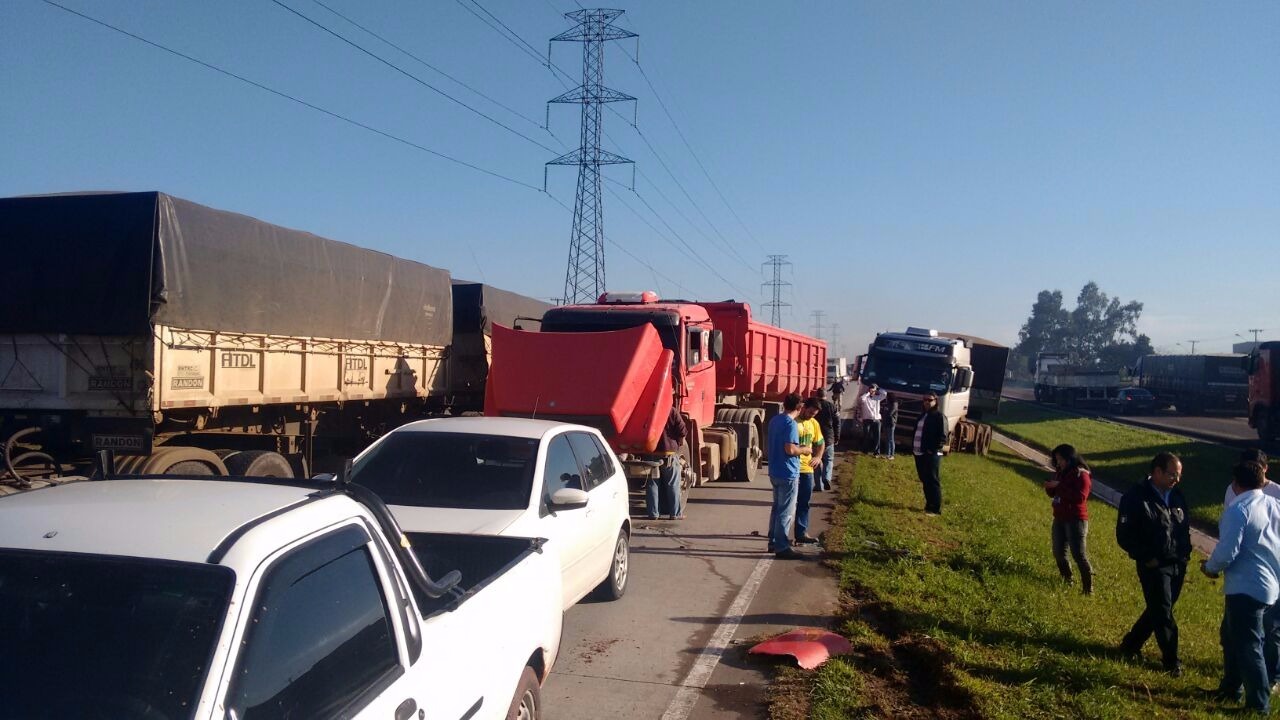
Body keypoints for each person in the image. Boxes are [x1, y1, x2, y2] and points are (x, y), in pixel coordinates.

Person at [1201, 461, 1280, 714]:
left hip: (1246, 587)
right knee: (1232, 637)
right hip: (1269, 584)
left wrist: (1210, 568)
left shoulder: (1238, 510)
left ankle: (1258, 704)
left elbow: (1226, 552)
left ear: (1235, 483)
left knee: (1248, 645)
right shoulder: (1274, 505)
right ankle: (1230, 687)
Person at [1116, 452, 1192, 676]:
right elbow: (1124, 535)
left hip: (1177, 563)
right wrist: (1147, 557)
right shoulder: (1136, 496)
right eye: (1172, 475)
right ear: (1157, 472)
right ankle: (1171, 661)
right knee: (1163, 611)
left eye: (1179, 475)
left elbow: (1183, 528)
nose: (1176, 480)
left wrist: (1185, 554)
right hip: (1153, 565)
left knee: (1159, 609)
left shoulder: (1177, 496)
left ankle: (1131, 644)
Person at [1044, 444, 1094, 594]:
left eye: (1061, 459)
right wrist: (1050, 487)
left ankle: (1088, 588)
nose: (1059, 463)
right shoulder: (1061, 472)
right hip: (1059, 517)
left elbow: (1080, 497)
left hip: (1076, 519)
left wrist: (1059, 485)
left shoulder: (1081, 474)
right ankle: (1067, 579)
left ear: (1069, 458)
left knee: (1078, 554)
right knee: (1058, 552)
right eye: (1057, 459)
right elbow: (1055, 494)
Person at [767, 394, 810, 559]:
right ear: (799, 408)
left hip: (775, 470)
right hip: (788, 472)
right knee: (786, 511)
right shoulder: (790, 424)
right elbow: (790, 449)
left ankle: (772, 541)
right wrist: (805, 450)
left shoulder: (775, 420)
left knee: (776, 508)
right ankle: (782, 546)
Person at [646, 405, 688, 520]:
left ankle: (653, 513)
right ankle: (675, 514)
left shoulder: (648, 409)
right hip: (669, 453)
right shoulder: (671, 410)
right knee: (673, 484)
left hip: (652, 452)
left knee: (652, 483)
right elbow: (682, 430)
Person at [794, 398, 826, 544]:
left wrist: (818, 457)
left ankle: (801, 533)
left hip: (807, 469)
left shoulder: (814, 424)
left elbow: (820, 443)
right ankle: (777, 534)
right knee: (786, 505)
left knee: (804, 502)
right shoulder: (793, 422)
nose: (811, 415)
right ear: (804, 407)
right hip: (792, 469)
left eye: (814, 414)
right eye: (810, 412)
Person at [912, 393, 948, 515]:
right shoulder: (923, 415)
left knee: (932, 480)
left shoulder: (939, 416)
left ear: (936, 401)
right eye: (924, 399)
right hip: (918, 452)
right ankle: (929, 504)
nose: (926, 402)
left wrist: (931, 450)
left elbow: (943, 437)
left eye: (929, 400)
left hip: (931, 454)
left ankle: (936, 508)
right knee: (924, 479)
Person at [811, 388, 841, 491]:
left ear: (816, 395)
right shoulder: (832, 406)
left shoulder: (813, 406)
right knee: (829, 460)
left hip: (815, 438)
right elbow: (837, 422)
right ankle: (827, 478)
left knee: (816, 461)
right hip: (828, 437)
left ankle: (818, 485)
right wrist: (837, 436)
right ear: (826, 395)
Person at [858, 384, 887, 455]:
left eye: (873, 391)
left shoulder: (877, 398)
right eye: (871, 390)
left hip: (876, 420)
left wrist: (877, 388)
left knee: (877, 437)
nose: (872, 392)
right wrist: (868, 392)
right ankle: (865, 451)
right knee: (866, 436)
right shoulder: (866, 398)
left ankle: (876, 452)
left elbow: (884, 394)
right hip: (867, 420)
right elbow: (861, 399)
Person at [879, 392, 899, 460]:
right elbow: (883, 411)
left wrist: (885, 414)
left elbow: (890, 413)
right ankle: (887, 454)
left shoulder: (894, 404)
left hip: (891, 423)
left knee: (891, 439)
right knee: (887, 439)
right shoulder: (886, 404)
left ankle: (892, 455)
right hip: (885, 423)